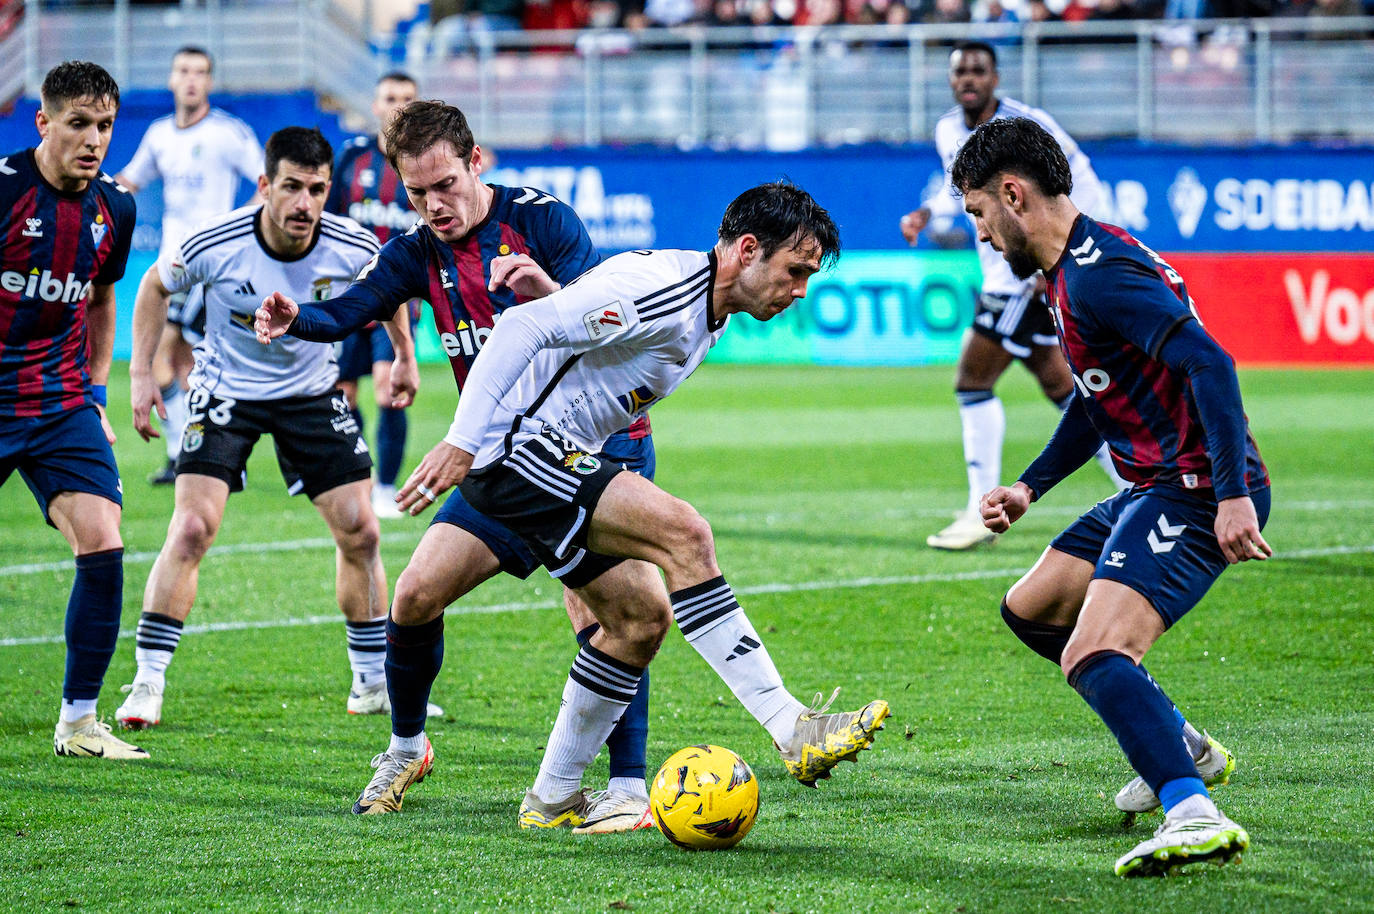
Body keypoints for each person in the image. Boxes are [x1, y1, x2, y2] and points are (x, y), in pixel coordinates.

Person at [259, 178, 891, 829]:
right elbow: (523, 327)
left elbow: (578, 330)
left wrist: (557, 301)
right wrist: (462, 441)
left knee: (640, 618)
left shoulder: (707, 309)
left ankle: (556, 795)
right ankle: (791, 727)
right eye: (794, 271)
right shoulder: (665, 288)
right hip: (517, 454)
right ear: (747, 249)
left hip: (544, 459)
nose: (799, 291)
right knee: (687, 536)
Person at [253, 101, 662, 833]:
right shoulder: (416, 252)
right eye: (415, 193)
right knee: (412, 597)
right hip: (505, 461)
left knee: (610, 612)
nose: (433, 205)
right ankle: (406, 749)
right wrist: (296, 320)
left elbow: (606, 319)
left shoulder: (544, 222)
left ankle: (626, 785)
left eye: (444, 184)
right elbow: (352, 307)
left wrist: (546, 292)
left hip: (598, 448)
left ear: (478, 161)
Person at [953, 116, 1271, 877]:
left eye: (978, 216)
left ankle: (1192, 811)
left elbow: (1213, 366)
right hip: (1152, 485)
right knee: (1031, 608)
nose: (984, 237)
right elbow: (1099, 397)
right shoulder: (1071, 268)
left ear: (1012, 193)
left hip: (1194, 491)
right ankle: (1177, 740)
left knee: (1095, 650)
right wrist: (1031, 485)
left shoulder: (1099, 274)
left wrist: (1232, 496)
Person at [115, 127, 433, 731]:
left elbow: (390, 291)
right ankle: (147, 683)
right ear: (265, 186)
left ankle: (369, 683)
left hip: (311, 394)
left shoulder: (349, 244)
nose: (305, 203)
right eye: (291, 187)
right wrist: (141, 377)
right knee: (190, 529)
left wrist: (405, 356)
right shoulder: (216, 242)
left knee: (362, 530)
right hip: (224, 390)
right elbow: (154, 286)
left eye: (317, 189)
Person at [900, 40, 1127, 551]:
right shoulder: (947, 130)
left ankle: (981, 509)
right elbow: (956, 190)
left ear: (996, 78)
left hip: (1022, 275)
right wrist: (929, 214)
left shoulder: (1026, 127)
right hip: (1004, 268)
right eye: (960, 72)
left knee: (972, 379)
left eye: (978, 70)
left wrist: (1065, 252)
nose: (968, 80)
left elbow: (1077, 179)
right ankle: (1137, 484)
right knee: (1067, 391)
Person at [1, 61, 146, 759]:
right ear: (44, 123)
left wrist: (95, 391)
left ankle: (80, 723)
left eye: (106, 126)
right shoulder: (3, 192)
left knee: (104, 540)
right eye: (79, 124)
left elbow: (99, 300)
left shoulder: (115, 208)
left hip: (60, 403)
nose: (94, 140)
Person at [115, 46, 263, 486]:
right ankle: (195, 454)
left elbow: (264, 184)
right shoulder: (160, 134)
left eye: (200, 72)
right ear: (172, 79)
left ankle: (192, 453)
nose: (192, 79)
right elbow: (129, 180)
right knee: (185, 364)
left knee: (166, 356)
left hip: (210, 264)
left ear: (210, 82)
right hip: (169, 265)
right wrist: (91, 189)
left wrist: (236, 231)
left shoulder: (227, 133)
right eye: (184, 70)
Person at [326, 72, 422, 520]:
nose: (399, 106)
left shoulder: (424, 163)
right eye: (391, 98)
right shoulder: (351, 159)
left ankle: (385, 487)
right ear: (376, 105)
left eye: (407, 98)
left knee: (388, 391)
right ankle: (359, 478)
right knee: (344, 396)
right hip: (350, 296)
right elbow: (327, 223)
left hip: (399, 299)